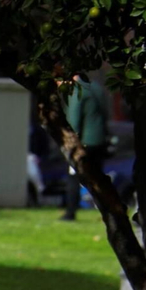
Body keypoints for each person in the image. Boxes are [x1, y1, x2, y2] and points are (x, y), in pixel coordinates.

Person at [60, 74, 110, 221]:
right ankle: (107, 211)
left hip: (84, 142)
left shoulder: (78, 90)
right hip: (99, 140)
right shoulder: (97, 88)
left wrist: (69, 141)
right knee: (98, 179)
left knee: (74, 177)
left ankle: (70, 212)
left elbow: (74, 120)